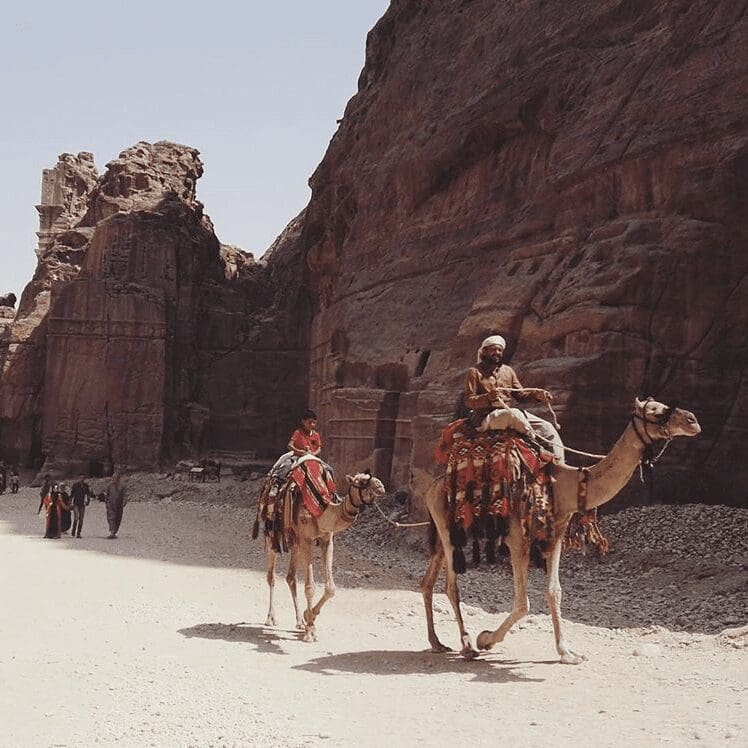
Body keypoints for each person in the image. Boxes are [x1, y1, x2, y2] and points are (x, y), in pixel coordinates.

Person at [464, 335, 564, 462]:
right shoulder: (474, 372)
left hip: (509, 413)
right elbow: (469, 401)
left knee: (547, 427)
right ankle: (538, 450)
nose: (497, 353)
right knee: (515, 415)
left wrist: (536, 395)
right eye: (493, 350)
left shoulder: (508, 371)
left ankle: (560, 464)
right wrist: (488, 397)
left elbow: (521, 396)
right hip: (485, 417)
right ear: (484, 351)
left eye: (500, 350)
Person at [105, 472, 126, 539]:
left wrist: (124, 502)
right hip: (110, 504)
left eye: (115, 478)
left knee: (117, 518)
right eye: (113, 477)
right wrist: (106, 503)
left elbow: (124, 495)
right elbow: (106, 495)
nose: (114, 479)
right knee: (111, 518)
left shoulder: (122, 486)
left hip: (119, 505)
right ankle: (112, 532)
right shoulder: (109, 486)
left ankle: (114, 532)